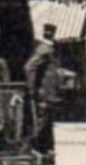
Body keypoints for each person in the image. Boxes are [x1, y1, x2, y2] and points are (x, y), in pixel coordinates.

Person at [24, 23, 62, 154]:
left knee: (47, 121)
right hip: (45, 93)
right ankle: (33, 146)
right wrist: (31, 88)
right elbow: (29, 67)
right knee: (42, 121)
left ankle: (46, 148)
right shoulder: (45, 49)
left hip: (50, 93)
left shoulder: (49, 49)